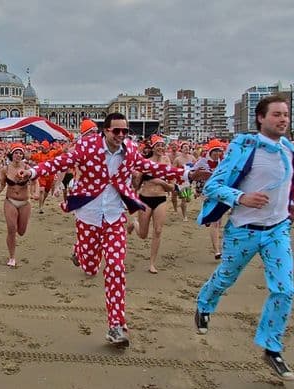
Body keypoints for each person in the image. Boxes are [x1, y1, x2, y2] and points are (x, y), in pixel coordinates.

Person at [19, 112, 192, 346]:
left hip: (114, 216)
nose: (121, 135)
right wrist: (31, 172)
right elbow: (60, 162)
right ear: (106, 131)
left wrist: (186, 173)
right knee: (90, 265)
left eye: (125, 131)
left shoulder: (130, 150)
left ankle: (116, 326)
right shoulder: (87, 148)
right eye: (116, 131)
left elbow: (151, 167)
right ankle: (79, 250)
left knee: (115, 267)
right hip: (88, 215)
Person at [194, 95, 294, 381]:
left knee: (285, 289)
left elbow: (287, 185)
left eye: (286, 114)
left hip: (277, 230)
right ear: (260, 118)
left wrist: (292, 206)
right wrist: (242, 197)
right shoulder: (244, 148)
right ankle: (204, 303)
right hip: (244, 229)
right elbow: (213, 186)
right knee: (226, 277)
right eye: (277, 114)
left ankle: (271, 346)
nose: (283, 119)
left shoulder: (288, 149)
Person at [134, 135, 174, 274]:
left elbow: (172, 186)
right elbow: (136, 184)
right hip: (145, 198)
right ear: (152, 147)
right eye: (158, 145)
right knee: (143, 234)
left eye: (163, 145)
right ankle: (135, 224)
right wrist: (136, 176)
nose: (161, 148)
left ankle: (152, 263)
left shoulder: (167, 162)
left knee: (158, 230)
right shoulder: (146, 162)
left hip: (161, 198)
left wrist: (162, 183)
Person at [0, 143, 32, 267]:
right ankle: (12, 257)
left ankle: (14, 243)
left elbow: (35, 181)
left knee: (21, 231)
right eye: (16, 153)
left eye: (20, 153)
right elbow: (2, 184)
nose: (18, 155)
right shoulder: (5, 169)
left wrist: (35, 192)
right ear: (12, 155)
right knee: (11, 229)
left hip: (25, 202)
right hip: (10, 201)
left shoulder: (27, 167)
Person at [172, 142, 197, 221]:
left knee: (186, 198)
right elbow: (173, 170)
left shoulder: (192, 158)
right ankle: (179, 212)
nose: (186, 148)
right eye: (184, 147)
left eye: (188, 147)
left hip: (188, 180)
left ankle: (184, 214)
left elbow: (197, 167)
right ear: (181, 149)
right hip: (180, 180)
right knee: (175, 196)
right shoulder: (178, 159)